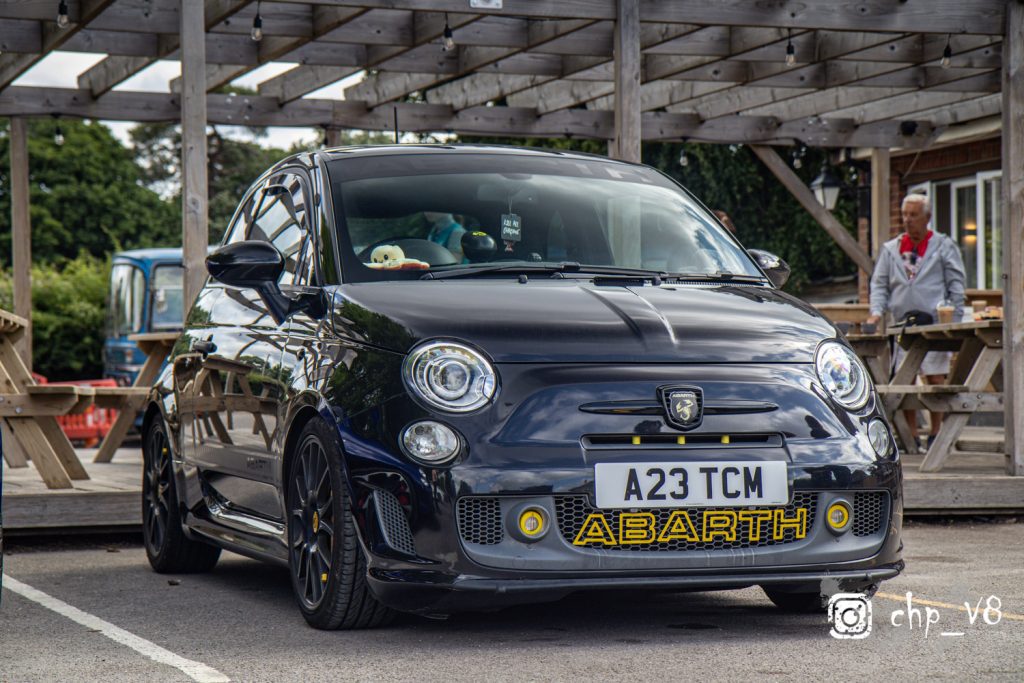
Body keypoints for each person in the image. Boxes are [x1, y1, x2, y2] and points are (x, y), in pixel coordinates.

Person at [866, 192, 966, 449]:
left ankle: (936, 432)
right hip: (902, 324)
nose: (908, 220)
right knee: (904, 378)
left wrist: (954, 319)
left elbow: (956, 284)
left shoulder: (943, 246)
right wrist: (876, 311)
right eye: (905, 215)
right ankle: (910, 435)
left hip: (934, 323)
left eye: (914, 215)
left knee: (935, 377)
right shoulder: (891, 249)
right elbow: (879, 285)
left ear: (927, 217)